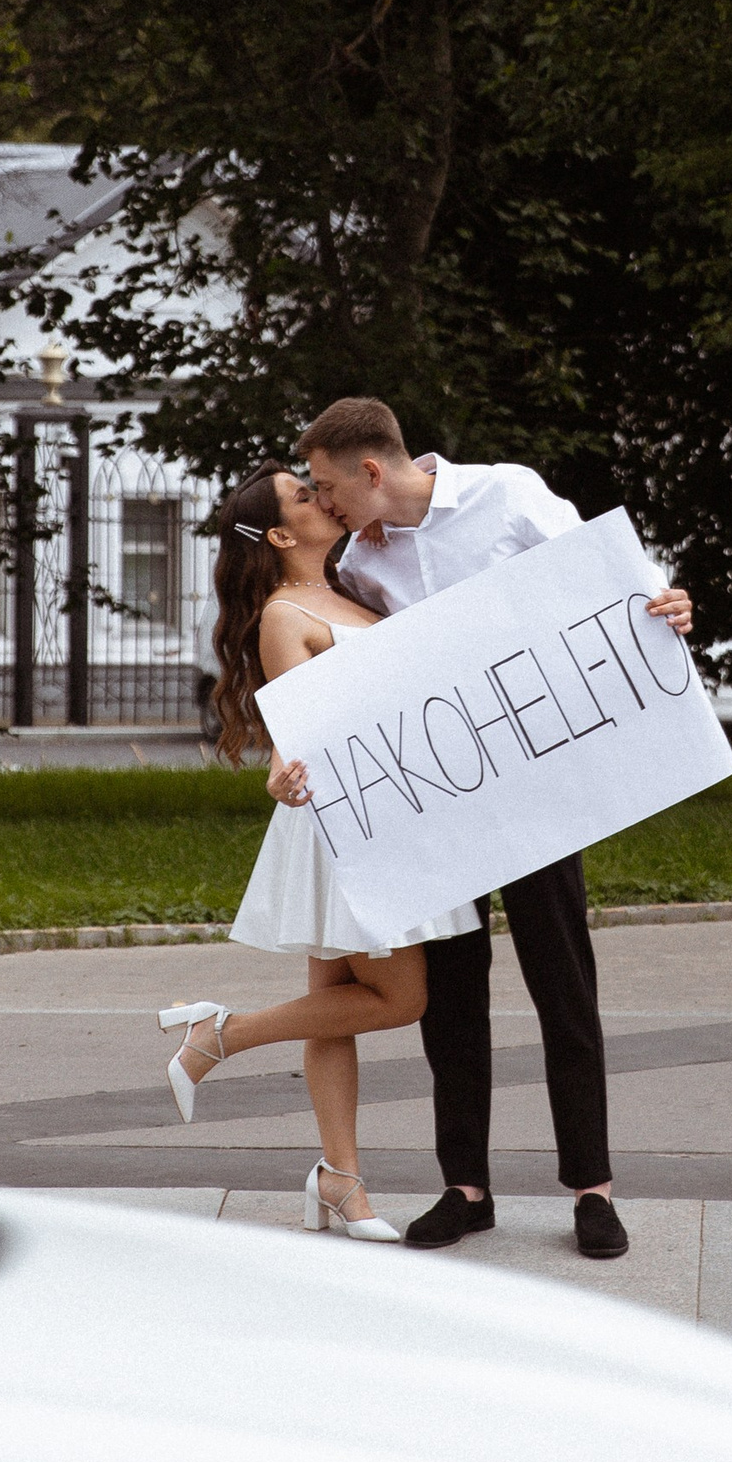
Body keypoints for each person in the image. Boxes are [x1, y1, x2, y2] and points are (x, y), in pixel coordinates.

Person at [282, 395, 694, 1263]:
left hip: (538, 791)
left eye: (327, 486)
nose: (324, 503)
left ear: (370, 470)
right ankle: (465, 1186)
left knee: (563, 982)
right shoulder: (362, 565)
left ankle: (592, 1189)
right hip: (446, 805)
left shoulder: (506, 496)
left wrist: (666, 601)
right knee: (454, 996)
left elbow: (610, 577)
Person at [159, 466, 478, 1243]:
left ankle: (341, 1179)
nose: (320, 497)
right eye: (303, 496)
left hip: (391, 811)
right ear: (279, 533)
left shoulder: (351, 588)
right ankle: (222, 1032)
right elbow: (299, 727)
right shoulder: (284, 612)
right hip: (345, 821)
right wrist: (280, 766)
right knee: (401, 997)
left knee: (334, 1003)